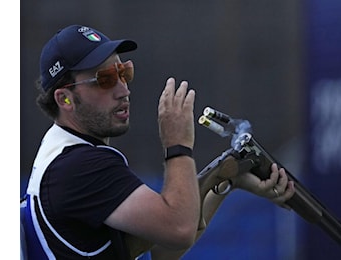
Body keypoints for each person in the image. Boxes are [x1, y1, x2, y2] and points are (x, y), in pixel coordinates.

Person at [20, 24, 295, 260]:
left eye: (123, 72)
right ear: (64, 99)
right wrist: (177, 143)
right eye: (104, 79)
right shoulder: (81, 165)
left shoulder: (66, 157)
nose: (123, 90)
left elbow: (161, 250)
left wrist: (228, 180)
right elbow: (178, 229)